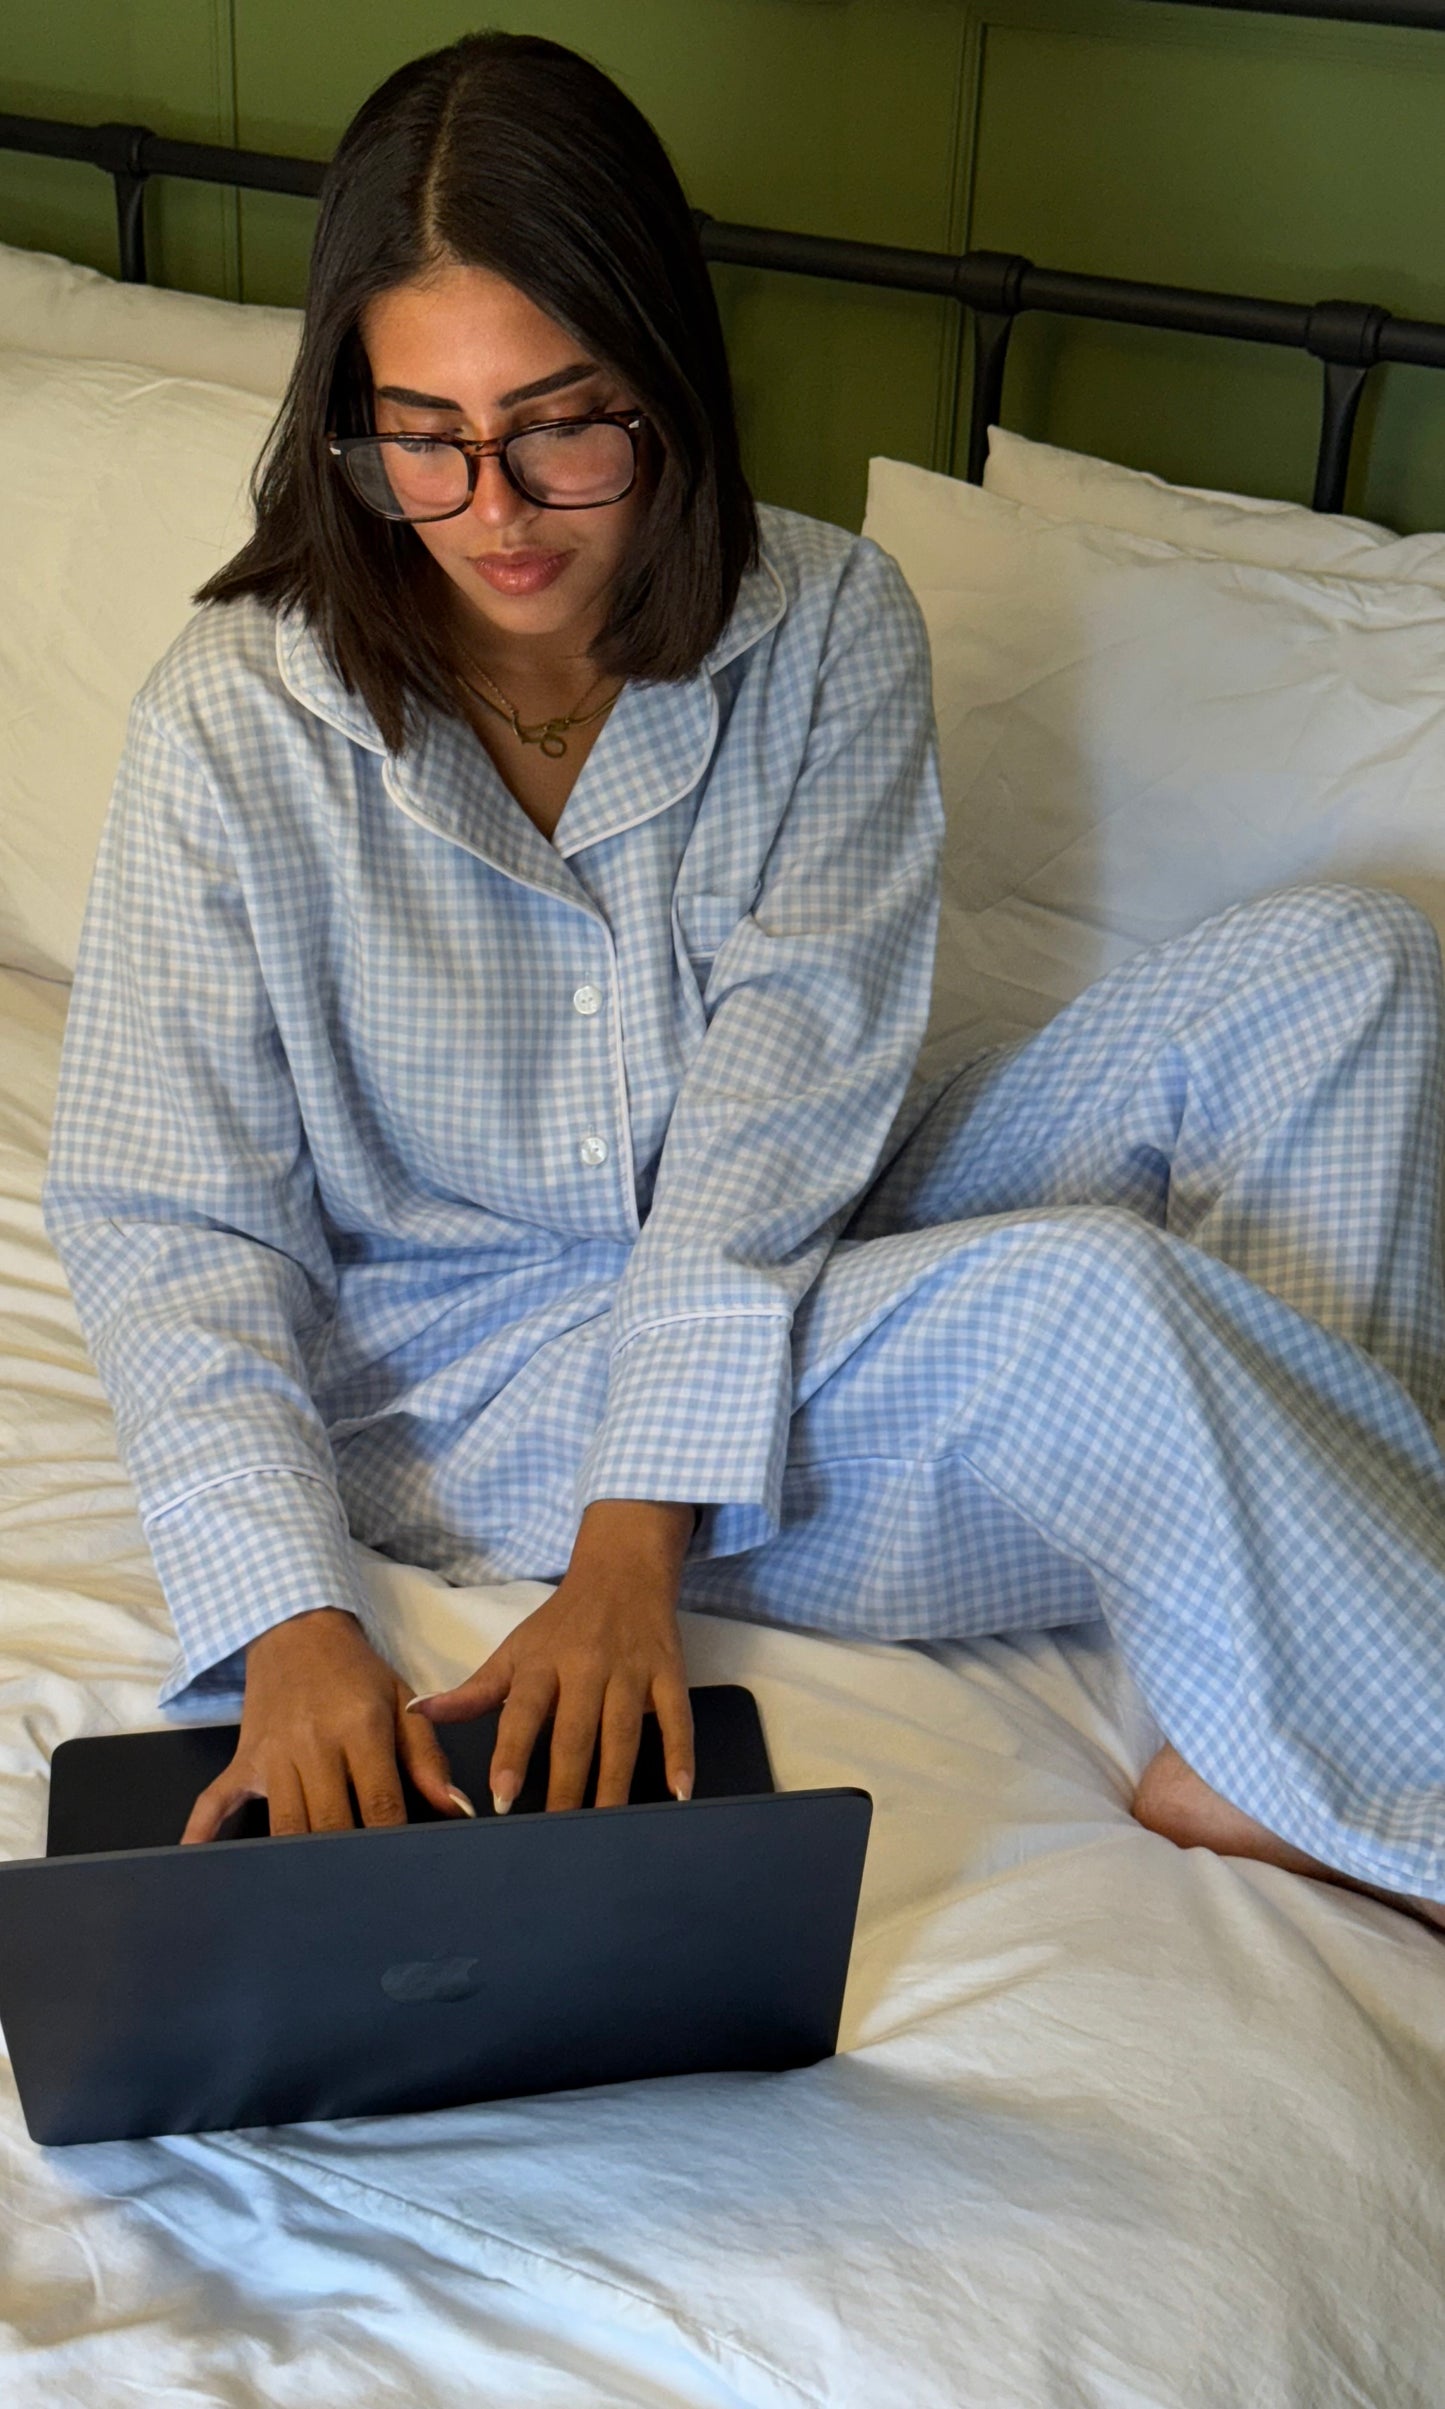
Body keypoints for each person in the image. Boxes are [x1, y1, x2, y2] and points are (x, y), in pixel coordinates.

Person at [43, 31, 1445, 1930]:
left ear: (669, 383)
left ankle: (1277, 1712)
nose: (494, 509)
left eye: (563, 424)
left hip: (789, 1223)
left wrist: (633, 1560)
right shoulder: (234, 721)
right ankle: (1363, 1748)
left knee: (1352, 965)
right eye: (421, 435)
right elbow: (168, 1222)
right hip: (481, 1376)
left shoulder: (828, 623)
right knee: (1091, 1303)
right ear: (348, 416)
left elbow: (780, 1115)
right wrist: (290, 1619)